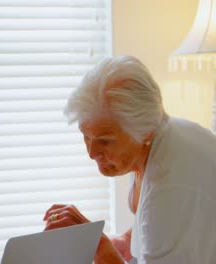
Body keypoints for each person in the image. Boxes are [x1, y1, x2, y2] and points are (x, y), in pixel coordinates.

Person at [42, 55, 216, 264]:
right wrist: (128, 239)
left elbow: (168, 211)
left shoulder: (169, 187)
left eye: (105, 141)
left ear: (145, 131)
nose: (91, 152)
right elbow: (174, 223)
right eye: (85, 136)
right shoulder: (160, 137)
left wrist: (99, 246)